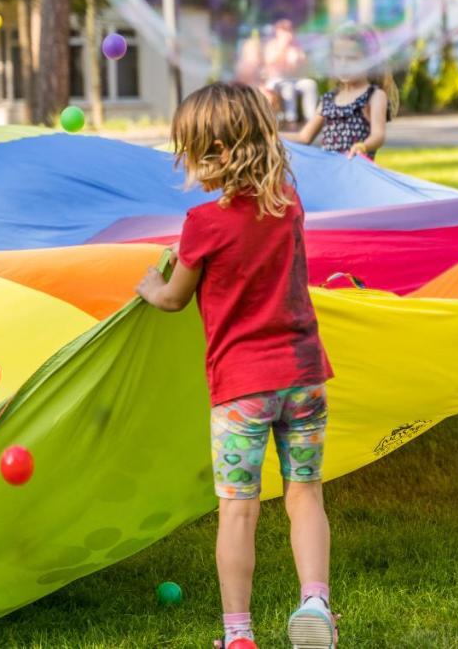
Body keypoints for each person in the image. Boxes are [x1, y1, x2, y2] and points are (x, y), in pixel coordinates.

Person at [136, 83, 338, 649]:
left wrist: (154, 285)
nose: (189, 166)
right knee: (305, 494)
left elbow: (176, 297)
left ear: (221, 151)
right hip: (303, 378)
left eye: (194, 153)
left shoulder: (203, 223)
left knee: (239, 511)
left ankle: (238, 634)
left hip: (241, 390)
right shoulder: (287, 204)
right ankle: (316, 602)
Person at [287, 25, 399, 159]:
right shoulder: (328, 100)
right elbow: (304, 137)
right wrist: (270, 135)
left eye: (351, 59)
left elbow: (378, 135)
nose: (343, 64)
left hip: (357, 172)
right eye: (337, 58)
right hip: (331, 173)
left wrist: (363, 146)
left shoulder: (374, 96)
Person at [264, 20, 320, 125]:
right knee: (288, 88)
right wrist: (283, 49)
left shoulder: (296, 45)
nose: (288, 34)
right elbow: (269, 63)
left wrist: (300, 59)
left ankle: (310, 119)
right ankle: (291, 120)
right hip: (276, 80)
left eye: (289, 31)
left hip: (294, 79)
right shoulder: (272, 45)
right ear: (278, 32)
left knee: (310, 85)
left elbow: (303, 66)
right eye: (284, 31)